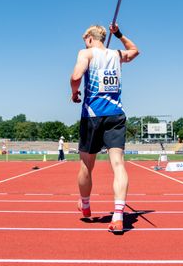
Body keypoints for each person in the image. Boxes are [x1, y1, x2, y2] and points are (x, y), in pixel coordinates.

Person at [70, 23, 139, 233]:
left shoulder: (86, 53)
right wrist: (118, 34)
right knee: (118, 164)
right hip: (116, 115)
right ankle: (118, 215)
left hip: (92, 115)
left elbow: (75, 77)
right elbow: (135, 51)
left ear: (90, 38)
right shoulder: (117, 54)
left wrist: (74, 93)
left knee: (86, 166)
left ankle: (85, 204)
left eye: (85, 41)